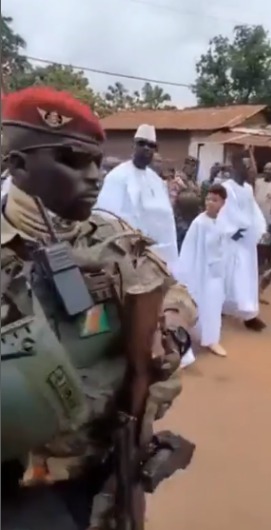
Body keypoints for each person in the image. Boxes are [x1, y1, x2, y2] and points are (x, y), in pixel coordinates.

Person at [1, 87, 198, 529]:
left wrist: (173, 326)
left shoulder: (112, 240)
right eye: (72, 161)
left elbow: (175, 293)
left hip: (99, 467)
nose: (94, 175)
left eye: (96, 161)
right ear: (18, 166)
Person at [94, 124, 179, 271]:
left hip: (160, 257)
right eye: (142, 143)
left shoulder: (156, 181)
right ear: (133, 146)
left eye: (151, 145)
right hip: (130, 255)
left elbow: (167, 221)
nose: (146, 148)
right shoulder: (118, 177)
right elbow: (107, 217)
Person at [175, 183, 228, 357]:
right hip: (201, 272)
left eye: (215, 200)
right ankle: (186, 343)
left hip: (218, 272)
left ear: (223, 203)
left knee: (214, 306)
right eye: (208, 198)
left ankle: (212, 340)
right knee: (198, 305)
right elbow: (189, 250)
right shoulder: (199, 223)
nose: (210, 202)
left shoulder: (225, 222)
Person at [219, 152, 267, 331]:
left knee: (246, 277)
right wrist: (233, 231)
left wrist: (260, 229)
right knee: (229, 277)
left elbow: (253, 211)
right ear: (235, 167)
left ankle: (249, 314)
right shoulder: (226, 188)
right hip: (231, 239)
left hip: (246, 241)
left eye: (251, 166)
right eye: (247, 166)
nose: (251, 170)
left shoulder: (247, 188)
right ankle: (222, 307)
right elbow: (223, 211)